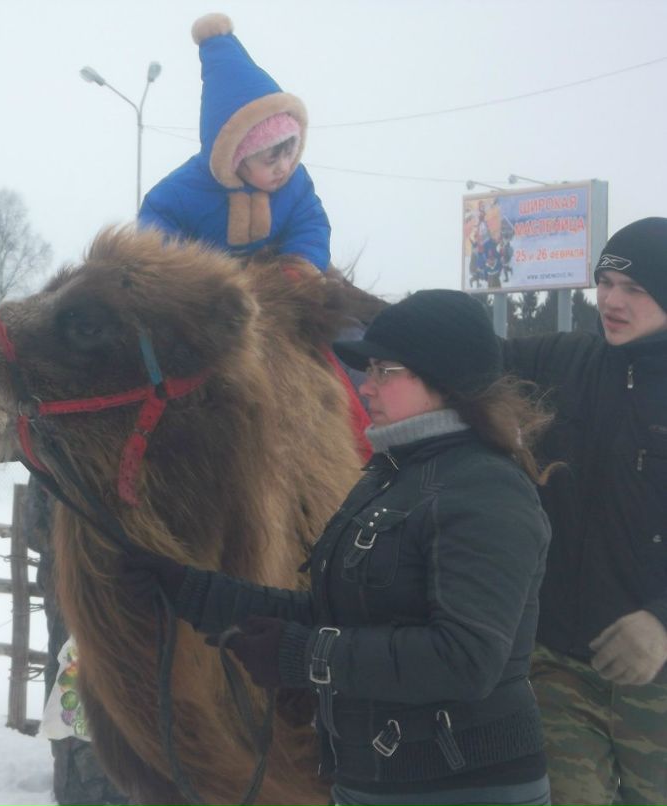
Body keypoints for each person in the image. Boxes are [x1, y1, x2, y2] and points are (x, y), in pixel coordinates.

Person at [127, 290, 555, 806]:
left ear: (447, 381)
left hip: (463, 787)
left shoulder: (485, 489)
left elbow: (465, 659)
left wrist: (304, 656)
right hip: (371, 780)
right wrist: (194, 593)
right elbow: (340, 611)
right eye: (368, 369)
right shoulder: (393, 475)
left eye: (385, 371)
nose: (366, 386)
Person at [503, 216, 667, 804]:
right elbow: (461, 353)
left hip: (658, 677)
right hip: (562, 661)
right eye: (605, 282)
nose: (612, 301)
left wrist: (662, 620)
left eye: (635, 289)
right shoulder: (565, 360)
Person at [138, 13, 331, 272]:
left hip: (278, 280)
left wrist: (299, 265)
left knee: (340, 303)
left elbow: (310, 223)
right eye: (270, 159)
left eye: (289, 153)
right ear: (236, 156)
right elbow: (156, 231)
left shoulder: (295, 184)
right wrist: (188, 276)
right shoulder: (181, 192)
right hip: (212, 292)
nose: (283, 167)